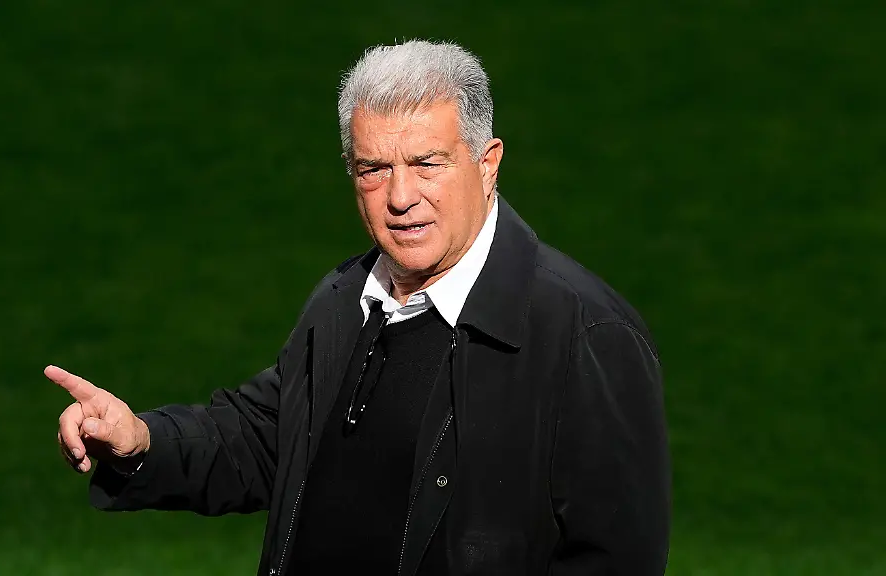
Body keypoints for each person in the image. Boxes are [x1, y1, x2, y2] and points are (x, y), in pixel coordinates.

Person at [47, 39, 670, 576]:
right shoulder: (345, 298)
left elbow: (614, 559)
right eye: (374, 168)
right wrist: (141, 442)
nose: (400, 197)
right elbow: (265, 440)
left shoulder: (586, 333)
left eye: (427, 163)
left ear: (487, 165)